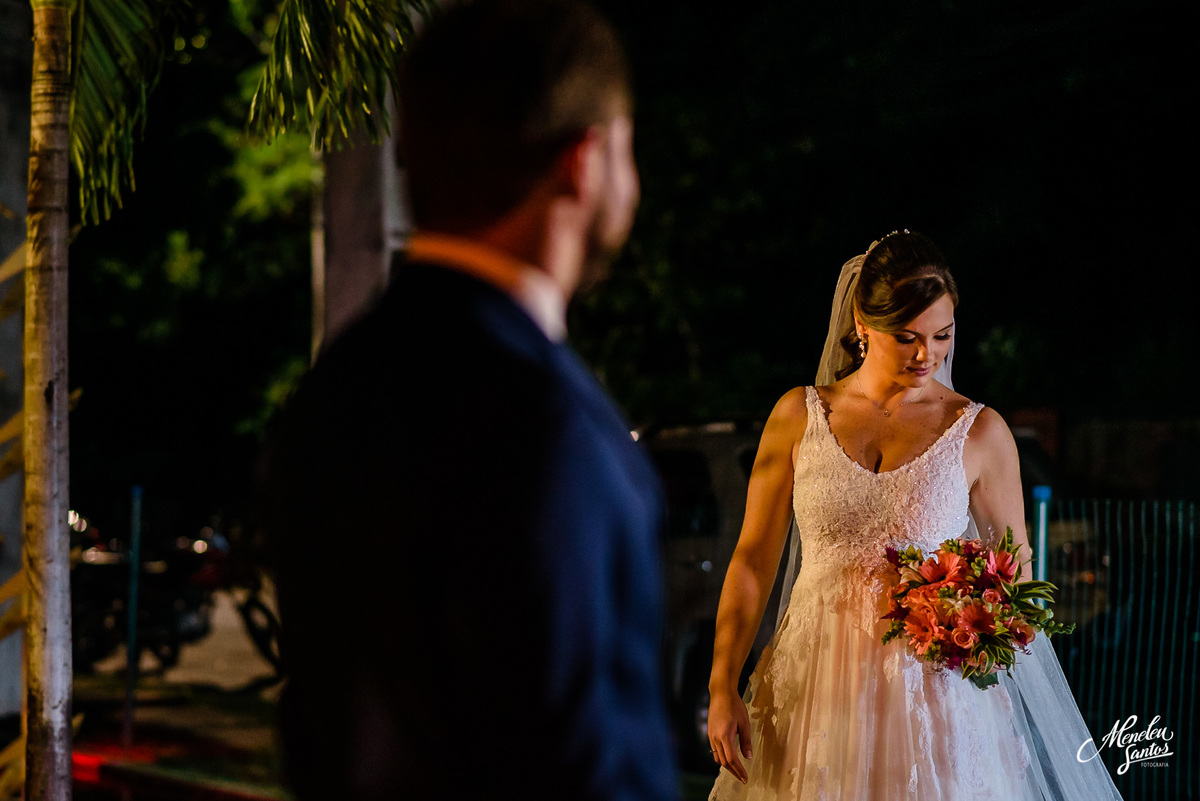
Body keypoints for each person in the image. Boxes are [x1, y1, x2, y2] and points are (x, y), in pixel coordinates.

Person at [258, 2, 677, 800]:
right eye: (627, 148)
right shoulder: (546, 424)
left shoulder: (331, 391)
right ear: (584, 161)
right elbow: (577, 757)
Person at [705, 231, 1124, 799]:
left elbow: (1017, 581)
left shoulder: (980, 432)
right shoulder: (798, 417)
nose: (928, 355)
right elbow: (753, 561)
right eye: (907, 338)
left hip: (932, 704)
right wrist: (722, 685)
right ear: (862, 324)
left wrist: (971, 616)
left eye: (941, 335)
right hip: (812, 694)